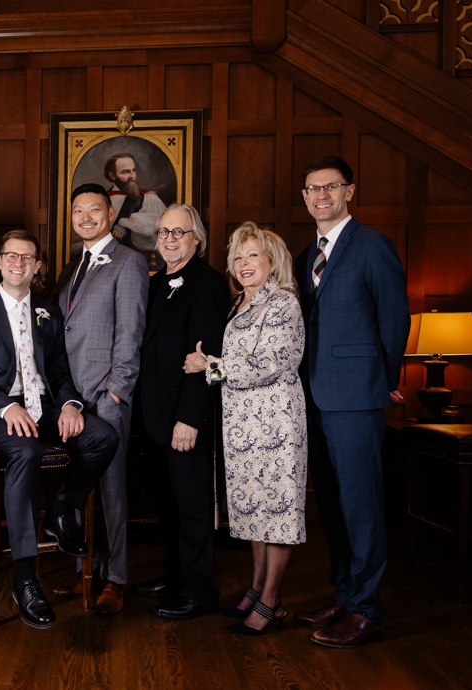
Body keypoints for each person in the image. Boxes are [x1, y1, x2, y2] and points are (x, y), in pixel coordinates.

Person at [0, 230, 118, 629]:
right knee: (25, 452)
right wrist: (6, 405)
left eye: (27, 258)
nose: (18, 264)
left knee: (103, 436)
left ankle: (61, 510)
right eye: (11, 256)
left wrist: (69, 405)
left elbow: (59, 370)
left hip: (43, 407)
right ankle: (26, 579)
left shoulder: (48, 312)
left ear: (37, 266)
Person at [293, 156, 410, 648]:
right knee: (335, 508)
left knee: (361, 505)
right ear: (305, 197)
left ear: (349, 191)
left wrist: (382, 382)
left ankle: (367, 610)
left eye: (331, 187)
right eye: (313, 188)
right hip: (313, 397)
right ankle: (344, 594)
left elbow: (394, 320)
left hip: (357, 397)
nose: (321, 195)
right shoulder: (305, 255)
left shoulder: (373, 246)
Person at [184, 223, 307, 636]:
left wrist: (210, 365)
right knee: (255, 510)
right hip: (241, 425)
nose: (243, 263)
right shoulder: (239, 303)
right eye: (238, 256)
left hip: (275, 425)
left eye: (252, 255)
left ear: (273, 260)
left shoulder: (282, 303)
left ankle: (272, 603)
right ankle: (256, 590)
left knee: (278, 514)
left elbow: (273, 363)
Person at [49, 183, 148, 616]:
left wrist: (115, 392)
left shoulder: (130, 262)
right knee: (78, 484)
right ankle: (83, 569)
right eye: (78, 210)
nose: (85, 217)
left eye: (94, 209)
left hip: (106, 399)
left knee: (111, 491)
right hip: (69, 401)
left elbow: (130, 334)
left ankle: (117, 579)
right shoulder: (72, 267)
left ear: (110, 214)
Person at [138, 204, 230, 620]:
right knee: (166, 503)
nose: (170, 239)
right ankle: (173, 577)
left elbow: (207, 357)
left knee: (192, 507)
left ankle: (200, 592)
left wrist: (190, 417)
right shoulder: (155, 283)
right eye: (163, 232)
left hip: (184, 418)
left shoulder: (209, 284)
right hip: (152, 415)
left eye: (179, 232)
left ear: (197, 239)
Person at [105, 154, 167, 254]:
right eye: (125, 172)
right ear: (112, 175)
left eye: (133, 170)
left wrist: (125, 225)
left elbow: (162, 225)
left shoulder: (149, 197)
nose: (132, 176)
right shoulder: (103, 200)